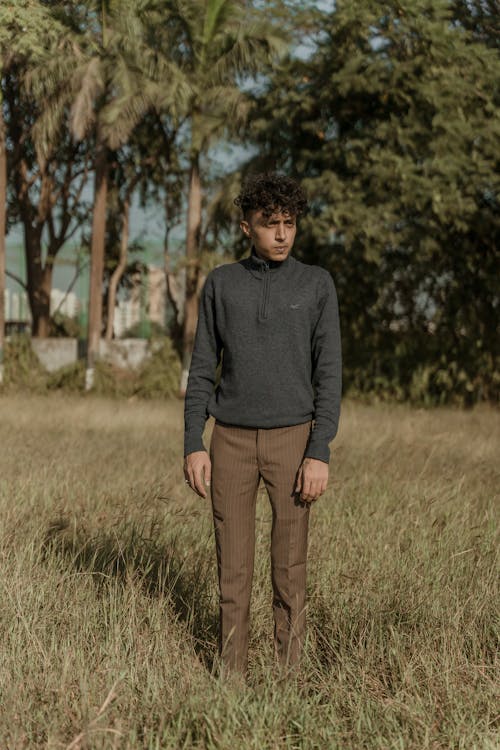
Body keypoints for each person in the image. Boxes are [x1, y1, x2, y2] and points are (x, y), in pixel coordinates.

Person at [183, 172, 342, 677]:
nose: (281, 234)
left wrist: (319, 451)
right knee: (232, 570)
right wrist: (194, 441)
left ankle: (288, 676)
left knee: (289, 570)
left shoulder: (316, 284)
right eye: (269, 223)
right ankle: (231, 676)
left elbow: (329, 373)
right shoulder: (222, 284)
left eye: (289, 223)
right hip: (228, 441)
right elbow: (202, 368)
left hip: (294, 442)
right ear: (247, 226)